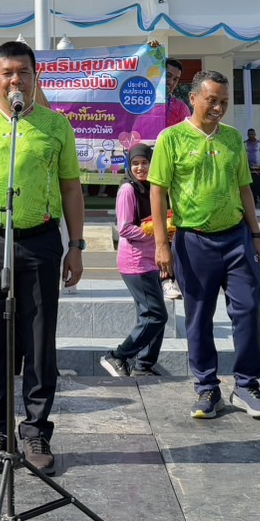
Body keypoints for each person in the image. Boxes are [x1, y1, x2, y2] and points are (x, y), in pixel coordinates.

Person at [0, 40, 84, 476]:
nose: (15, 80)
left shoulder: (55, 125)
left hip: (41, 242)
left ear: (35, 76)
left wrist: (76, 245)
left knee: (40, 341)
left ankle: (36, 430)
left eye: (23, 72)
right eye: (7, 73)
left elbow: (71, 188)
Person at [150, 70, 260, 421]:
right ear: (193, 98)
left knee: (247, 310)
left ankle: (247, 385)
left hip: (237, 239)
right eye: (212, 100)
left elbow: (244, 189)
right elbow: (158, 192)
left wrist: (256, 235)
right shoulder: (171, 139)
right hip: (193, 243)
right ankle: (207, 388)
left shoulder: (232, 138)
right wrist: (161, 244)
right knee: (199, 318)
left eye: (224, 101)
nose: (219, 107)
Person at [101, 143, 167, 378]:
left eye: (145, 163)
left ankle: (144, 365)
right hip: (135, 263)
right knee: (156, 315)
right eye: (135, 163)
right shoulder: (128, 190)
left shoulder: (155, 188)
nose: (140, 168)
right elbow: (125, 228)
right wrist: (157, 233)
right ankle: (118, 356)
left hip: (153, 260)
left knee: (150, 316)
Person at [245, 129, 260, 207]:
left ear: (255, 134)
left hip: (258, 168)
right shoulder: (244, 144)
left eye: (252, 134)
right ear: (247, 135)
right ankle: (254, 200)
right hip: (248, 168)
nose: (251, 136)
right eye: (249, 134)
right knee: (252, 185)